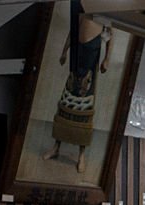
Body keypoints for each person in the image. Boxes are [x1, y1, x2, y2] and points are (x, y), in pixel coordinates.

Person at [41, 1, 112, 174]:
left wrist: (107, 59)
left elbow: (110, 34)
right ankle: (56, 146)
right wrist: (64, 51)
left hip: (91, 60)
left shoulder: (107, 7)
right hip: (76, 59)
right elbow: (73, 30)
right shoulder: (80, 4)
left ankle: (81, 155)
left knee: (84, 108)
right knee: (66, 104)